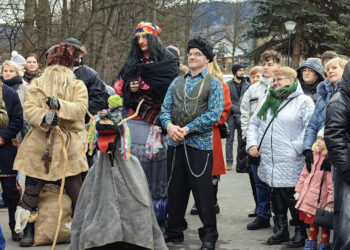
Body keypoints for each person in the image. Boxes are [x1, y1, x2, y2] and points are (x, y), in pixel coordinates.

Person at [13, 44, 89, 247]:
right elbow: (29, 109)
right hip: (40, 144)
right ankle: (28, 229)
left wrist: (61, 105)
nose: (56, 73)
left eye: (60, 69)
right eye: (53, 68)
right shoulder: (37, 84)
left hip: (67, 146)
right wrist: (44, 117)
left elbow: (81, 108)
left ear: (67, 69)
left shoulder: (77, 86)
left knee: (76, 190)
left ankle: (83, 229)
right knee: (31, 190)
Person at [70, 94, 167, 250]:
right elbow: (83, 211)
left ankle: (130, 236)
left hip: (135, 240)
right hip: (99, 235)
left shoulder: (133, 167)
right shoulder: (95, 175)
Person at [160, 37, 224, 250]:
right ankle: (174, 230)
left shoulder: (214, 83)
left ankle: (209, 236)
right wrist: (170, 127)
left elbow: (214, 114)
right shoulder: (177, 82)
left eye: (197, 54)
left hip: (200, 145)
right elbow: (164, 109)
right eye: (190, 53)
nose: (192, 57)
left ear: (207, 58)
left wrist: (187, 129)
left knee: (202, 193)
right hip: (176, 144)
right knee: (176, 191)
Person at [114, 21, 178, 229]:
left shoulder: (167, 61)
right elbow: (119, 85)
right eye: (138, 38)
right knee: (136, 171)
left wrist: (147, 85)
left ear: (153, 38)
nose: (141, 41)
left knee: (159, 172)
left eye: (145, 37)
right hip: (136, 123)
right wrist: (129, 87)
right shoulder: (133, 60)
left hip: (161, 123)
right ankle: (136, 216)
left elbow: (171, 86)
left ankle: (159, 217)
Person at [246, 67, 314, 248]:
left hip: (292, 158)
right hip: (269, 157)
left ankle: (300, 231)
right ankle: (281, 229)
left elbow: (310, 128)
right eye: (274, 80)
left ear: (292, 80)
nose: (275, 83)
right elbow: (254, 124)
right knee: (275, 193)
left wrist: (296, 148)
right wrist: (252, 144)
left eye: (280, 79)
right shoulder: (268, 100)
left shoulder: (303, 101)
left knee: (292, 196)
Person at [241, 50, 281, 230]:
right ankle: (262, 214)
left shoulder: (284, 86)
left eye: (270, 64)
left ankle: (280, 218)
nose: (266, 67)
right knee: (259, 182)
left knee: (278, 183)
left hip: (276, 143)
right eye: (264, 64)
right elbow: (244, 115)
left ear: (278, 66)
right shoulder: (253, 89)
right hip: (255, 143)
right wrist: (248, 140)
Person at [190, 57, 232, 216]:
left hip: (210, 131)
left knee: (211, 168)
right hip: (192, 130)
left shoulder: (220, 84)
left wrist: (211, 122)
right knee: (196, 167)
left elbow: (225, 109)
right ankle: (198, 201)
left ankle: (212, 201)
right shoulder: (192, 81)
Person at [303, 57, 347, 177]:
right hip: (319, 152)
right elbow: (312, 125)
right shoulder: (322, 97)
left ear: (346, 70)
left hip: (340, 156)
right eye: (328, 69)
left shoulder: (346, 96)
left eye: (334, 67)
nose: (330, 71)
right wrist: (307, 149)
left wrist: (332, 155)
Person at [324, 60, 350, 250]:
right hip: (346, 167)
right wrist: (347, 169)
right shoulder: (339, 102)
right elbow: (334, 138)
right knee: (345, 221)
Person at [295, 128, 333, 250]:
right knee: (312, 224)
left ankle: (324, 245)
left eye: (323, 139)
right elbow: (304, 174)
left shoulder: (328, 162)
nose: (320, 141)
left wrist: (330, 203)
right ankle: (311, 243)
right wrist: (299, 189)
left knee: (324, 225)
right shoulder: (314, 156)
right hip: (310, 198)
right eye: (318, 139)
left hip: (322, 200)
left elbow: (332, 186)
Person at [0, 78, 23, 242]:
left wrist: (2, 137)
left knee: (10, 192)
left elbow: (17, 121)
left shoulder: (10, 94)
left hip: (6, 148)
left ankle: (14, 225)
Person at [225, 64, 249, 172]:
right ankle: (229, 162)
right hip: (230, 115)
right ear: (235, 72)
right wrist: (236, 109)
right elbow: (227, 101)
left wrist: (241, 110)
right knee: (229, 140)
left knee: (241, 140)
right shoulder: (227, 85)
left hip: (242, 115)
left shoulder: (247, 85)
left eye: (243, 70)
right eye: (240, 70)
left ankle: (241, 162)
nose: (242, 72)